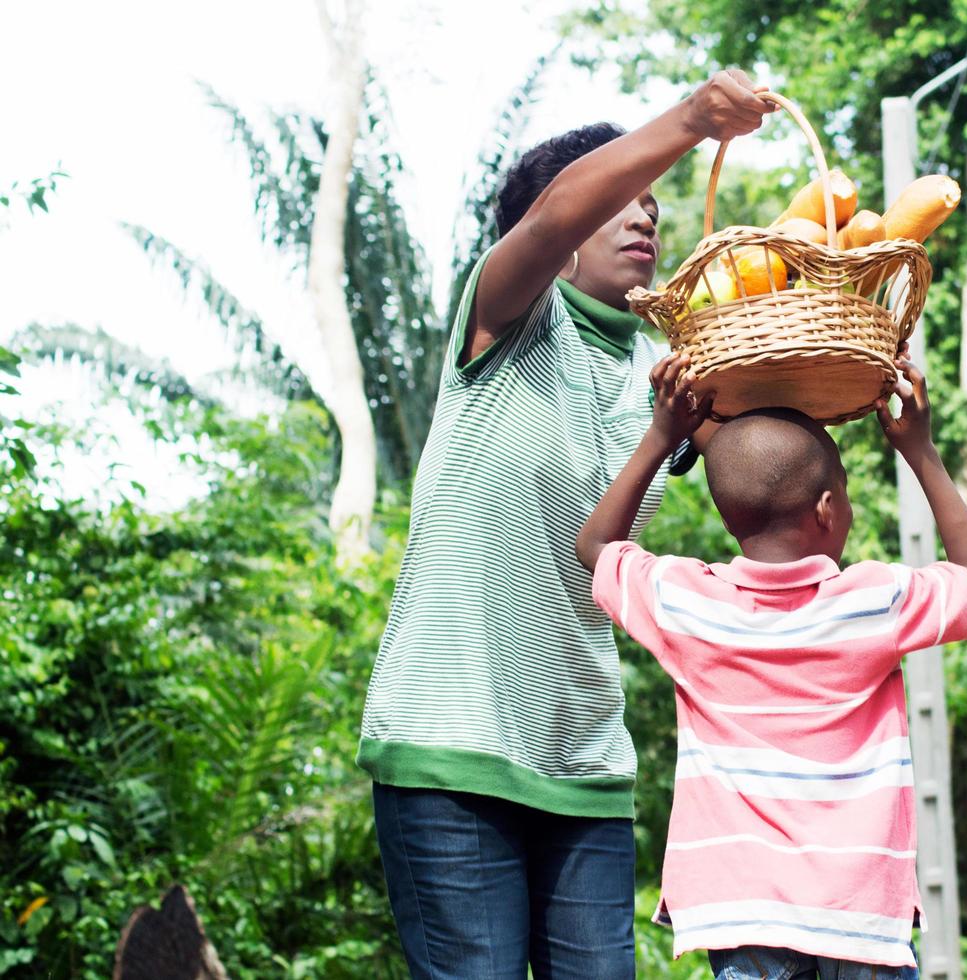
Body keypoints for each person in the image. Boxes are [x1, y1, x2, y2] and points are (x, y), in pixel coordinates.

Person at [356, 70, 777, 979]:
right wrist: (693, 120)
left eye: (655, 208)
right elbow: (547, 220)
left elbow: (764, 483)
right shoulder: (503, 321)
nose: (645, 218)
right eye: (621, 199)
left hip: (583, 759)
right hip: (451, 746)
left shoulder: (665, 373)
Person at [576, 355, 967, 977]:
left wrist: (660, 436)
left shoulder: (687, 602)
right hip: (859, 915)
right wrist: (921, 452)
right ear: (828, 508)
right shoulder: (871, 601)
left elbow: (597, 550)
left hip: (741, 910)